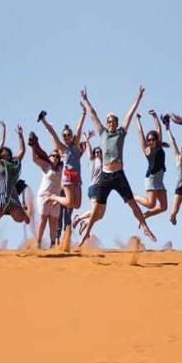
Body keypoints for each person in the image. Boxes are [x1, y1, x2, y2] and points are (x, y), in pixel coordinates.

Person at [76, 85, 156, 249]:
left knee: (132, 203)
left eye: (114, 121)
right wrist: (86, 100)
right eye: (109, 121)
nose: (111, 123)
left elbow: (129, 114)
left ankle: (145, 228)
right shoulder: (103, 132)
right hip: (105, 176)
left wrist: (138, 98)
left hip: (119, 175)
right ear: (107, 123)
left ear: (117, 123)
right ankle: (85, 235)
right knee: (96, 209)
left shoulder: (121, 132)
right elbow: (93, 114)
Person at [133, 110, 169, 219]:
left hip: (159, 179)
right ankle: (134, 197)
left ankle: (147, 214)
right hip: (151, 178)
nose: (151, 141)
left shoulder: (159, 146)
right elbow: (140, 133)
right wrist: (137, 119)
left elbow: (158, 128)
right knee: (150, 204)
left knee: (164, 207)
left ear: (156, 140)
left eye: (153, 139)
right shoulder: (146, 149)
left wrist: (154, 116)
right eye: (149, 140)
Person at [30, 140, 63, 248]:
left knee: (53, 221)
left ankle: (52, 244)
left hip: (56, 198)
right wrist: (32, 146)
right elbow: (34, 159)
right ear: (49, 157)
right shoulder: (46, 165)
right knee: (43, 219)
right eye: (53, 156)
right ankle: (38, 243)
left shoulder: (61, 169)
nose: (55, 157)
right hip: (44, 196)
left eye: (57, 156)